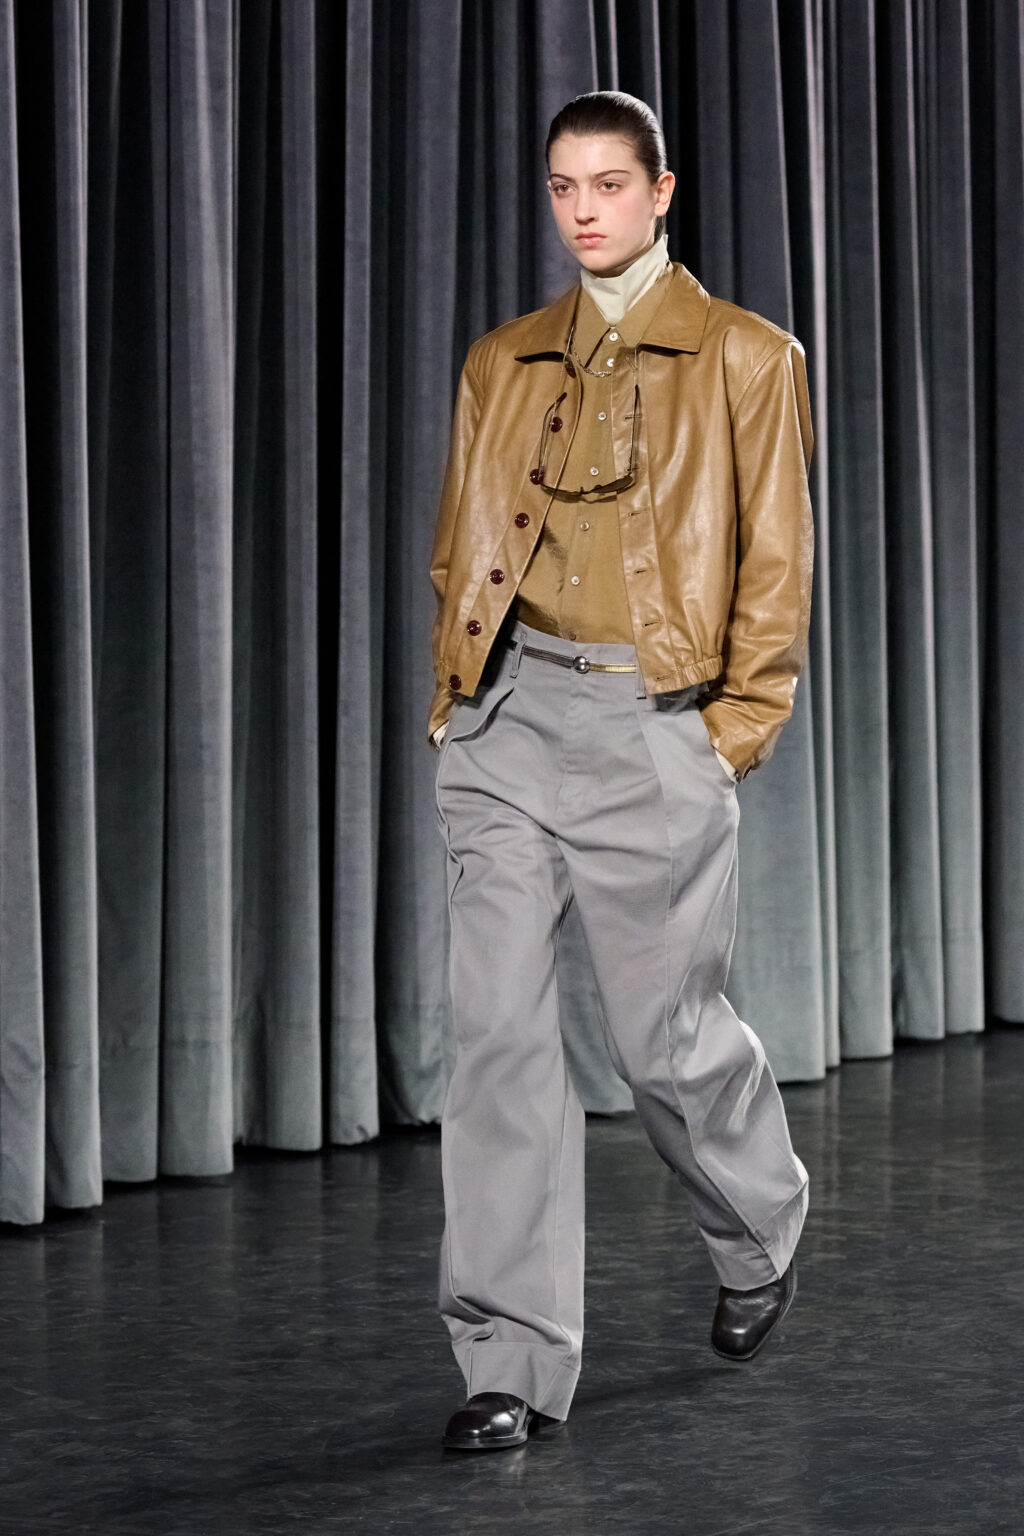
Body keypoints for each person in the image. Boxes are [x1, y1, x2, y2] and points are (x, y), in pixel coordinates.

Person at [427, 90, 815, 1452]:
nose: (583, 209)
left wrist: (726, 734)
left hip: (653, 723)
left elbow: (776, 569)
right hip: (507, 720)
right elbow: (462, 541)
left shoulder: (748, 358)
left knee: (663, 1043)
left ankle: (758, 1223)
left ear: (661, 193)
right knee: (496, 1041)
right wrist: (457, 702)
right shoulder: (503, 360)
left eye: (608, 184)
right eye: (562, 186)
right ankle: (509, 1359)